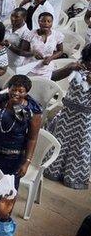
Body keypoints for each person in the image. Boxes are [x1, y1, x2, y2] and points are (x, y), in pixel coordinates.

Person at [0, 74, 43, 181]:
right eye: (13, 89)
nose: (16, 93)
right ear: (9, 89)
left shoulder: (32, 112)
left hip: (12, 159)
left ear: (26, 93)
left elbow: (32, 139)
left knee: (5, 190)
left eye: (20, 91)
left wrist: (26, 162)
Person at [47, 48, 91, 189]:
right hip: (67, 113)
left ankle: (73, 178)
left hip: (86, 118)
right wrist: (70, 68)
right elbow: (52, 77)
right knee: (60, 142)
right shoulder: (77, 66)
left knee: (80, 148)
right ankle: (53, 172)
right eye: (89, 60)